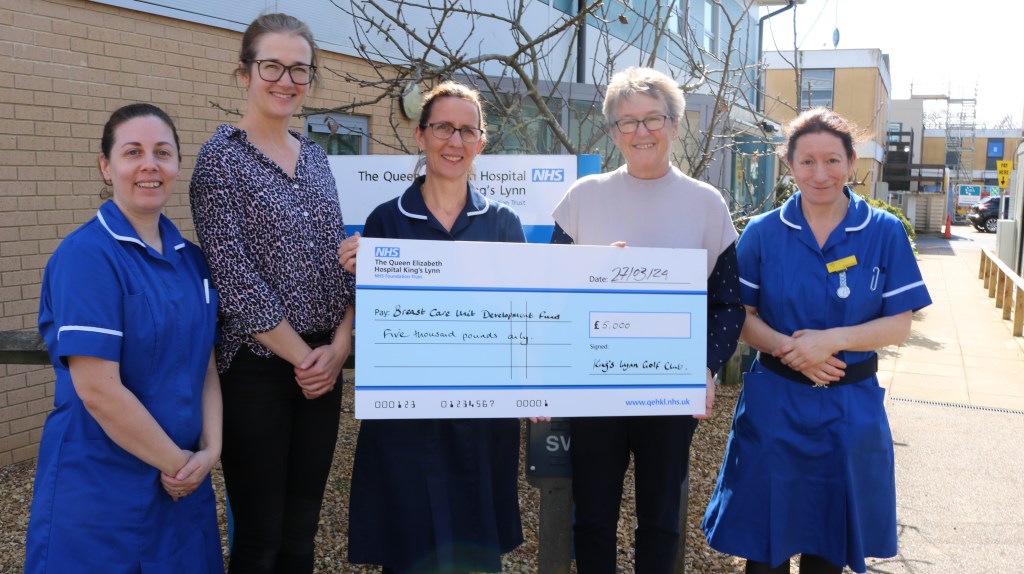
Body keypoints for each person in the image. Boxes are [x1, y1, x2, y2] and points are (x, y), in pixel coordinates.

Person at [702, 108, 933, 574]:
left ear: (851, 163)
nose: (820, 173)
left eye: (832, 160)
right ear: (789, 167)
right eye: (807, 162)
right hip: (775, 407)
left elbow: (899, 323)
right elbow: (741, 318)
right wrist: (797, 353)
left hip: (849, 409)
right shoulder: (763, 232)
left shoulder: (883, 232)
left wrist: (832, 340)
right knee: (764, 549)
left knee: (829, 550)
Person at [549, 67, 744, 573]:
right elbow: (552, 291)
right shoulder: (581, 198)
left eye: (653, 119)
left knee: (661, 519)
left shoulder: (706, 203)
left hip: (669, 390)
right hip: (595, 390)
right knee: (592, 516)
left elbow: (727, 303)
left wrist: (704, 368)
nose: (641, 132)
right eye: (627, 122)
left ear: (676, 125)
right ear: (612, 132)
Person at [25, 103, 223, 573]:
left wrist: (211, 451)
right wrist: (177, 462)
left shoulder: (192, 260)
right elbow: (98, 390)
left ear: (177, 165)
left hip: (182, 491)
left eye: (163, 152)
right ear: (106, 165)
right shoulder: (86, 256)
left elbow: (206, 364)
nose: (149, 166)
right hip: (100, 495)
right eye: (133, 152)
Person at [188, 13, 355, 574]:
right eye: (272, 67)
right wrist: (305, 358)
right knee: (259, 538)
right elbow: (234, 279)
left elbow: (334, 260)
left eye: (300, 70)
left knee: (301, 532)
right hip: (258, 367)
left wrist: (338, 348)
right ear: (244, 73)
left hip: (323, 366)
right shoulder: (220, 162)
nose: (287, 80)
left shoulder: (315, 159)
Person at [337, 81, 525, 574]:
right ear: (420, 136)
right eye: (443, 127)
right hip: (406, 421)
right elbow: (368, 319)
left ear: (481, 142)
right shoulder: (384, 222)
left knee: (477, 553)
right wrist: (358, 272)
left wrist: (599, 279)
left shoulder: (504, 223)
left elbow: (527, 310)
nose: (454, 141)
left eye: (467, 130)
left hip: (481, 421)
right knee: (409, 548)